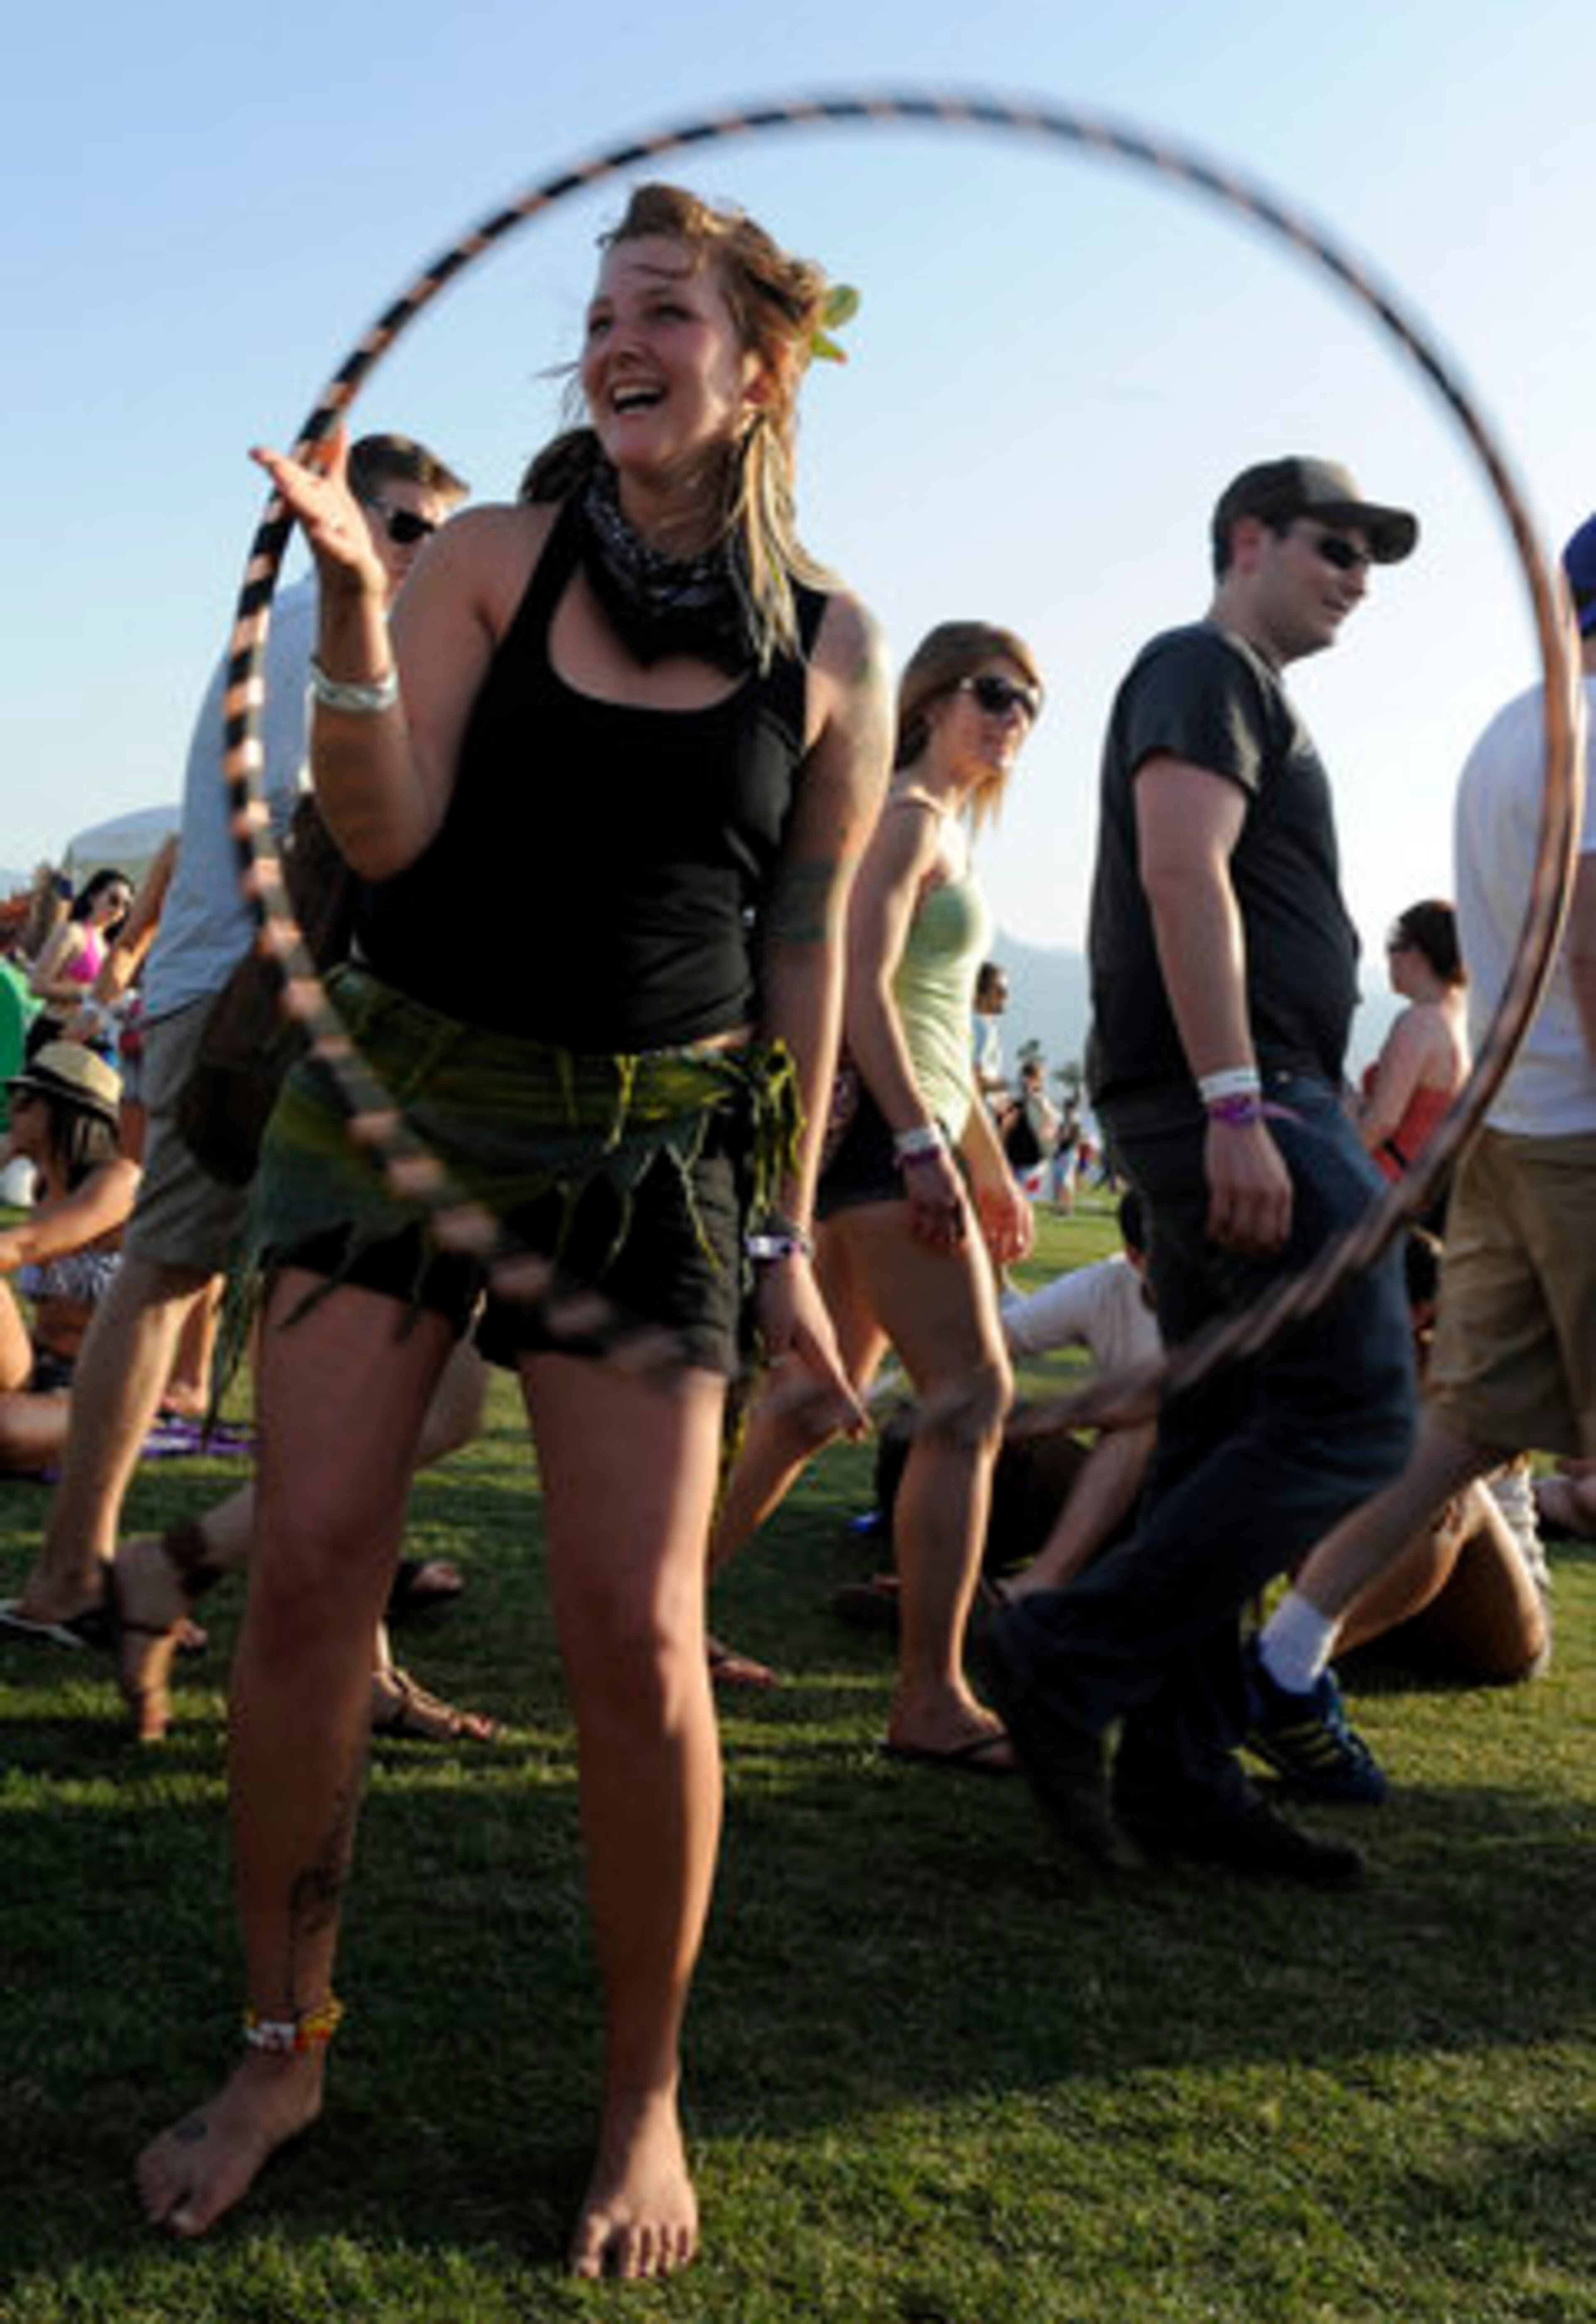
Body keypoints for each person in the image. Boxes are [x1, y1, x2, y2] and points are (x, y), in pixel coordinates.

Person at [133, 184, 888, 2279]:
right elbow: (384, 834)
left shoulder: (834, 645)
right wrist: (364, 619)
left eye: (666, 307)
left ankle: (642, 2087)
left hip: (654, 1153)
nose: (618, 336)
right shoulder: (482, 557)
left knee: (637, 1640)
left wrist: (795, 1236)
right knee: (303, 1569)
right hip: (402, 1099)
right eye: (602, 309)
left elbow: (806, 959)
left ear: (765, 362)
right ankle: (280, 2043)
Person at [980, 455, 1420, 1885]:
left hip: (1247, 1092)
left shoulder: (1246, 687)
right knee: (1359, 1410)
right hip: (1242, 1096)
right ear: (1248, 541)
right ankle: (1064, 1645)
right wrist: (1238, 1103)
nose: (1358, 574)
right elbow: (1185, 873)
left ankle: (1178, 1776)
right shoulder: (1203, 665)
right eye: (1336, 545)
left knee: (1226, 1436)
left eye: (1372, 556)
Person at [10, 433, 468, 1642]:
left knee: (178, 1278)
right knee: (313, 1305)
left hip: (228, 994)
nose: (432, 552)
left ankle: (89, 1572)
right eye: (414, 525)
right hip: (255, 1003)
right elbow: (335, 818)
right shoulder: (322, 625)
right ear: (350, 515)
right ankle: (280, 1590)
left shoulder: (291, 621)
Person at [1246, 508, 1596, 1768]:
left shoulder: (1510, 731)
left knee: (1465, 1429)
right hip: (1577, 1137)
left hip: (1511, 1133)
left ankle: (1283, 1658)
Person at [705, 623, 1039, 1766]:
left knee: (809, 1404)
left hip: (901, 1136)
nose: (1013, 721)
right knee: (969, 1398)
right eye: (994, 695)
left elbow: (941, 1023)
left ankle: (661, 1608)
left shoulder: (940, 828)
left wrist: (982, 1158)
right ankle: (932, 1696)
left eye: (1030, 706)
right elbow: (857, 992)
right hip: (878, 1143)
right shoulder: (905, 819)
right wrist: (917, 1144)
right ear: (934, 697)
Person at [0, 1044, 138, 1482]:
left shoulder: (120, 1181)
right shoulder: (44, 1184)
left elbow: (24, 1247)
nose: (11, 1111)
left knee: (6, 1429)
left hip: (93, 1385)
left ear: (62, 1114)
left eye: (24, 1102)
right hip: (30, 1369)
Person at [1356, 897, 1469, 1221]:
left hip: (1384, 1192)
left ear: (1417, 953)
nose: (1389, 957)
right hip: (1427, 1194)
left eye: (1394, 944)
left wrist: (1333, 1169)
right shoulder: (1460, 1022)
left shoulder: (1419, 1022)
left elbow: (1382, 1123)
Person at [25, 868, 133, 1055]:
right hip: (55, 1032)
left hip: (87, 1041)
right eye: (113, 900)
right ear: (93, 897)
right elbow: (37, 985)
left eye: (125, 906)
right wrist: (87, 993)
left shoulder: (106, 947)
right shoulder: (72, 933)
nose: (118, 910)